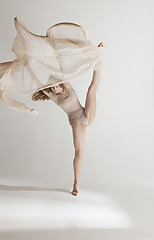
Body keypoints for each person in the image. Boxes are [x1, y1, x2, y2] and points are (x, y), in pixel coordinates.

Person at [32, 42, 104, 196]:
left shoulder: (67, 85)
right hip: (77, 122)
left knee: (92, 89)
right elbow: (38, 83)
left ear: (59, 83)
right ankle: (76, 183)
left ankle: (98, 59)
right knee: (79, 153)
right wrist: (32, 64)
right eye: (52, 88)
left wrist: (54, 52)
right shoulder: (55, 98)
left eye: (55, 86)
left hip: (86, 114)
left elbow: (62, 68)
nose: (55, 89)